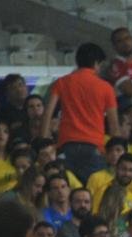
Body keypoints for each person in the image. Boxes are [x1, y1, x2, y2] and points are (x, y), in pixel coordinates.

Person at [41, 43, 121, 183]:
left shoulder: (62, 82)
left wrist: (43, 140)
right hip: (94, 146)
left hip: (67, 146)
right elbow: (114, 125)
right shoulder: (106, 88)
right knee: (93, 193)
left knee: (64, 190)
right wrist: (119, 150)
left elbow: (48, 113)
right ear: (96, 63)